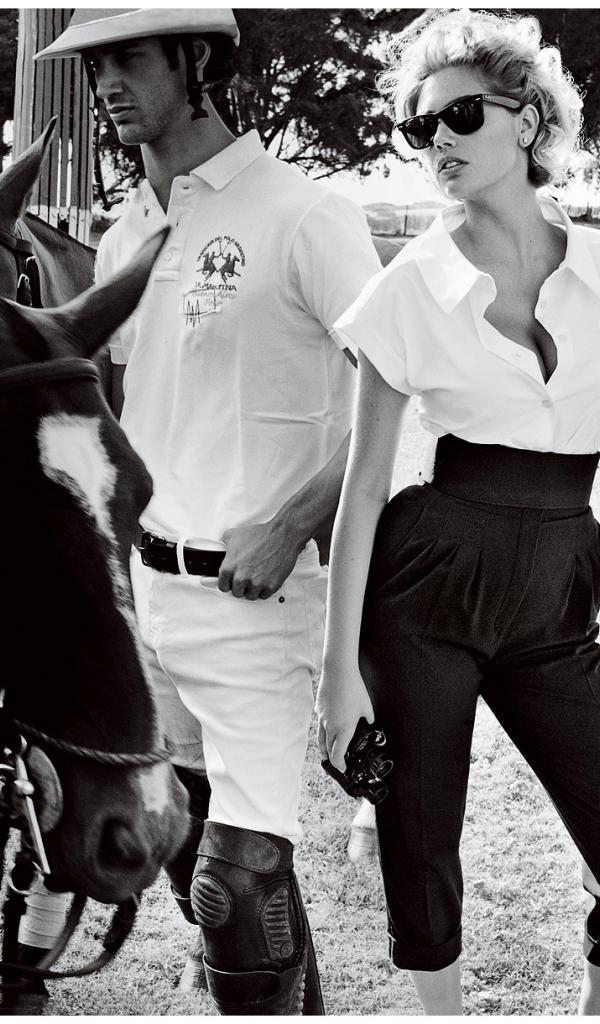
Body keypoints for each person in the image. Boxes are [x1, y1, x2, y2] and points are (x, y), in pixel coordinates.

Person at [37, 8, 381, 1015]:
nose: (107, 81)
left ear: (197, 59)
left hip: (256, 600)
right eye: (95, 64)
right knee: (196, 869)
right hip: (145, 605)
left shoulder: (304, 214)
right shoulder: (124, 235)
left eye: (129, 57)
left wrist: (294, 520)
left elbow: (399, 394)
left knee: (239, 887)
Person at [317, 9, 600, 1015]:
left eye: (460, 115)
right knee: (421, 840)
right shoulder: (407, 290)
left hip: (562, 582)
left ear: (528, 119)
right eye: (419, 126)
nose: (436, 139)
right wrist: (337, 679)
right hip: (427, 585)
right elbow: (363, 488)